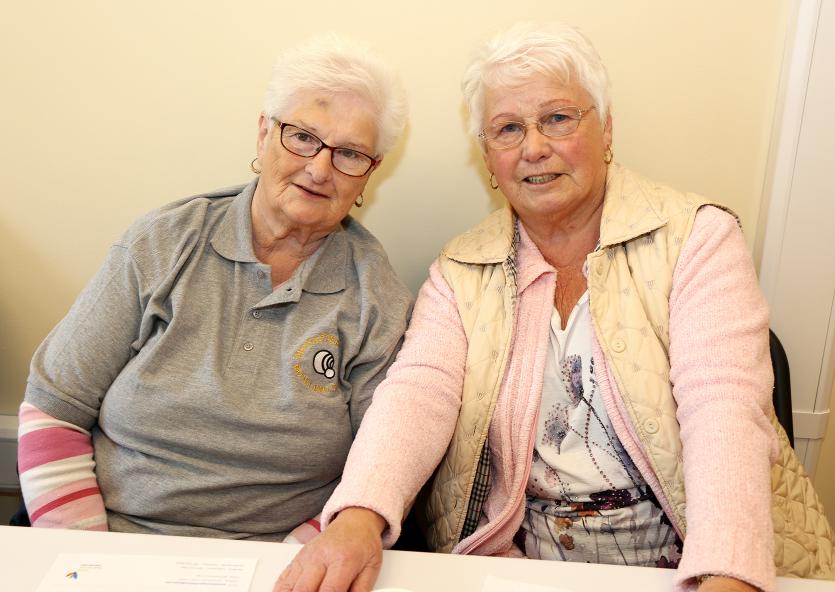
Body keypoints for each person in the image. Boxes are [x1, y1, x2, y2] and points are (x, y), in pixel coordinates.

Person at [275, 23, 834, 592]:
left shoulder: (696, 237)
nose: (534, 146)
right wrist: (359, 517)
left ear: (607, 128)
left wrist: (726, 575)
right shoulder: (461, 268)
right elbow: (419, 393)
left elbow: (723, 408)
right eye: (508, 128)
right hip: (525, 565)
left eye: (558, 119)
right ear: (488, 159)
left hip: (691, 552)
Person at [16, 34, 412, 541]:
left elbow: (375, 475)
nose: (318, 168)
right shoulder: (161, 243)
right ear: (264, 133)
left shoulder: (376, 297)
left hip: (277, 559)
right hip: (112, 542)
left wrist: (292, 565)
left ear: (369, 175)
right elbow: (55, 407)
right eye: (303, 137)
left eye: (350, 154)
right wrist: (87, 560)